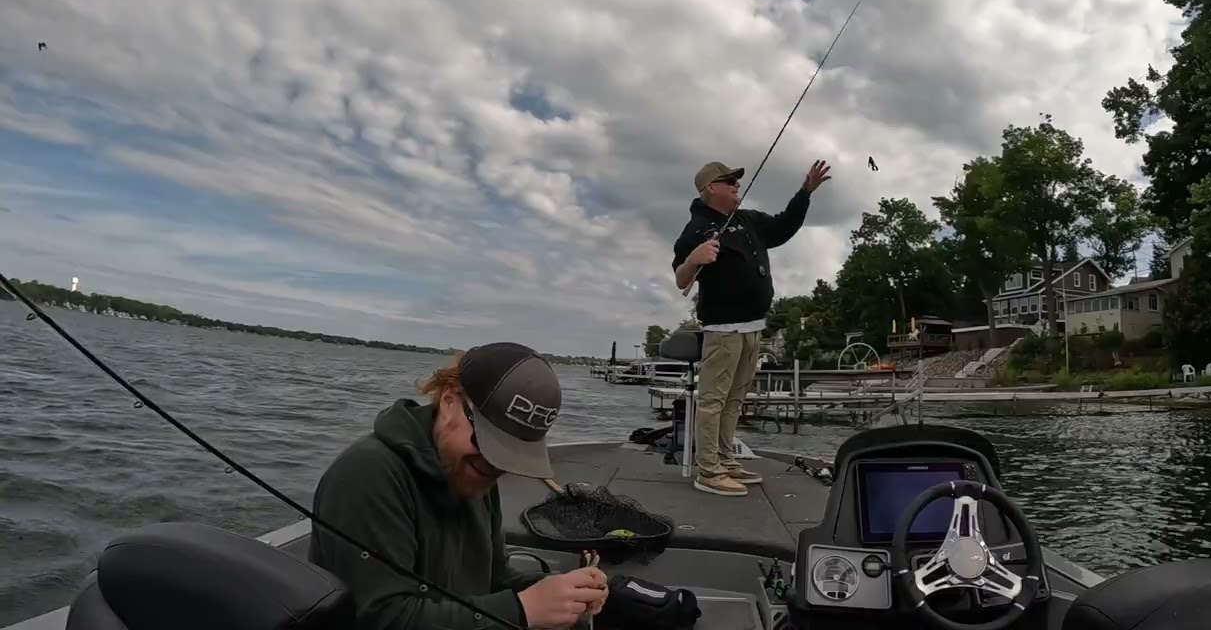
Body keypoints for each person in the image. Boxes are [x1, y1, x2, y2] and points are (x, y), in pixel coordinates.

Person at [309, 341, 609, 629]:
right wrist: (522, 610)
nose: (495, 465)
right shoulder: (367, 475)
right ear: (449, 400)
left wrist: (560, 595)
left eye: (509, 454)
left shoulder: (478, 472)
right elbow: (381, 617)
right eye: (489, 442)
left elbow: (496, 578)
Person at [672, 160, 831, 496]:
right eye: (729, 181)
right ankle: (709, 471)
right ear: (710, 188)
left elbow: (784, 227)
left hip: (752, 327)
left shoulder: (747, 219)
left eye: (737, 182)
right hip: (723, 330)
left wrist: (805, 193)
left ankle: (727, 461)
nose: (736, 186)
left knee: (735, 400)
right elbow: (681, 279)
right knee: (713, 401)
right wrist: (694, 258)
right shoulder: (696, 229)